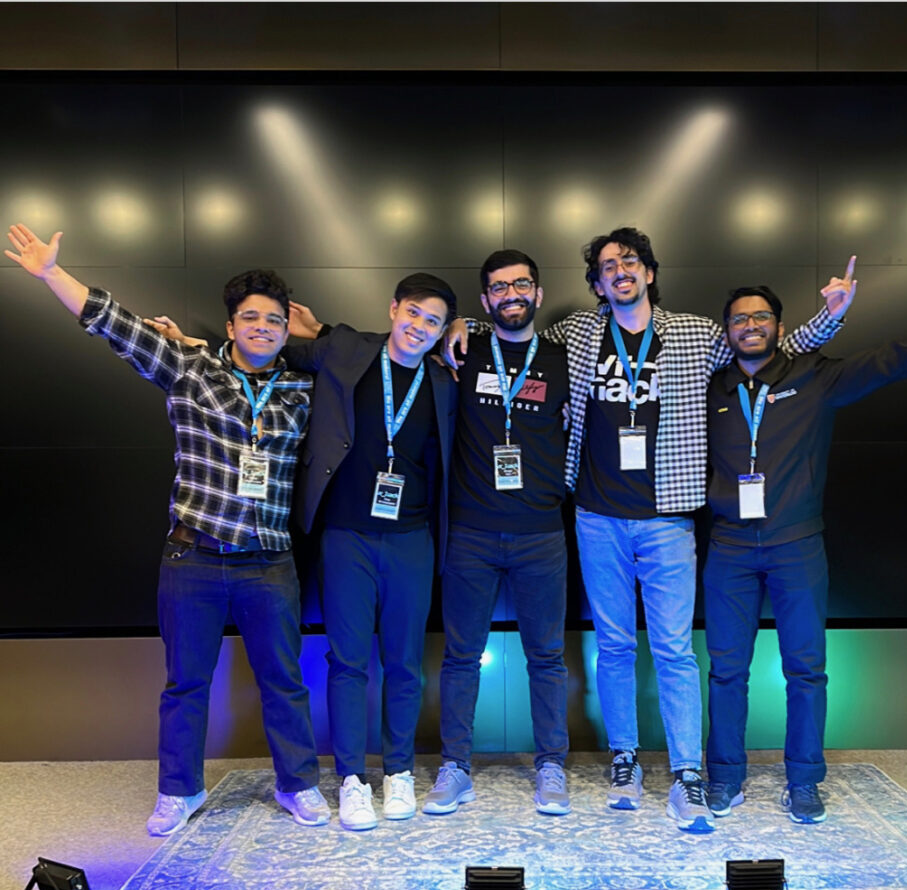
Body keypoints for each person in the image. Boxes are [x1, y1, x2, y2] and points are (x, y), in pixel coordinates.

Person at [4, 223, 329, 837]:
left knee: (285, 681)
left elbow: (369, 359)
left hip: (269, 562)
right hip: (194, 558)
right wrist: (50, 273)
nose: (263, 327)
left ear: (288, 330)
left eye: (275, 321)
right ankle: (179, 791)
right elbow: (112, 323)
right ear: (230, 326)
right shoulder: (189, 370)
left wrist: (326, 334)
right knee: (185, 684)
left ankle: (299, 784)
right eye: (252, 318)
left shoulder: (304, 388)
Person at [539, 228, 855, 832]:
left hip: (668, 520)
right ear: (598, 283)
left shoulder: (692, 333)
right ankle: (625, 759)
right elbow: (515, 334)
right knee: (613, 646)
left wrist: (831, 318)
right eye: (607, 266)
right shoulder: (578, 332)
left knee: (675, 651)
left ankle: (688, 772)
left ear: (649, 272)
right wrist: (460, 330)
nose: (619, 271)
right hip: (596, 515)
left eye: (629, 261)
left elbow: (766, 344)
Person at [703, 269, 907, 824]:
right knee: (727, 670)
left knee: (806, 668)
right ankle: (725, 777)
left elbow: (889, 360)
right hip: (728, 545)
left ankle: (804, 780)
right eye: (739, 320)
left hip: (796, 544)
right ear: (726, 331)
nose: (749, 326)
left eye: (760, 318)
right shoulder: (711, 389)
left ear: (779, 327)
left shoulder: (814, 376)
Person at [284, 276, 458, 831]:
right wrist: (197, 345)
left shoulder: (444, 379)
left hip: (411, 537)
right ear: (392, 309)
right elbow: (269, 344)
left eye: (433, 322)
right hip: (345, 535)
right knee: (348, 661)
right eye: (412, 314)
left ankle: (400, 772)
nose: (419, 328)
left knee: (406, 663)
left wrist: (467, 327)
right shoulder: (346, 348)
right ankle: (353, 779)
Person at [422, 249, 572, 816]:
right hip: (472, 531)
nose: (512, 294)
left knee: (547, 657)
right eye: (499, 288)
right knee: (462, 655)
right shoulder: (460, 347)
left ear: (537, 291)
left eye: (522, 285)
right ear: (484, 300)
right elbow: (396, 339)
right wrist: (459, 324)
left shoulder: (562, 359)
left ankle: (551, 765)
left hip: (541, 532)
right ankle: (455, 767)